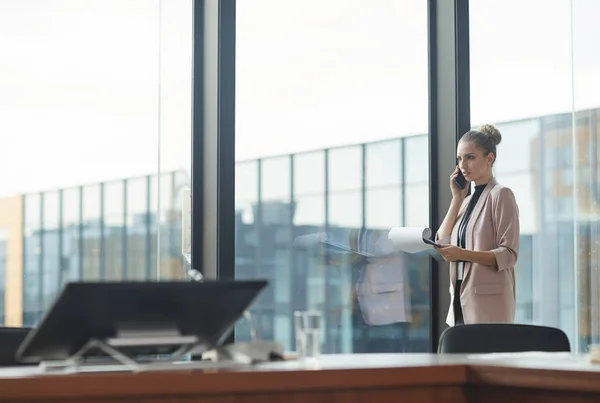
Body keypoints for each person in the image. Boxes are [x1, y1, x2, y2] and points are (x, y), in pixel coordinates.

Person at [435, 124, 520, 326]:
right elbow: (442, 241)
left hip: (489, 305)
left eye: (470, 157)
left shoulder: (501, 195)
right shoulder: (465, 201)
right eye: (459, 159)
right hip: (460, 300)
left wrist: (463, 254)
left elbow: (508, 254)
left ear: (489, 158)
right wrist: (457, 198)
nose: (463, 165)